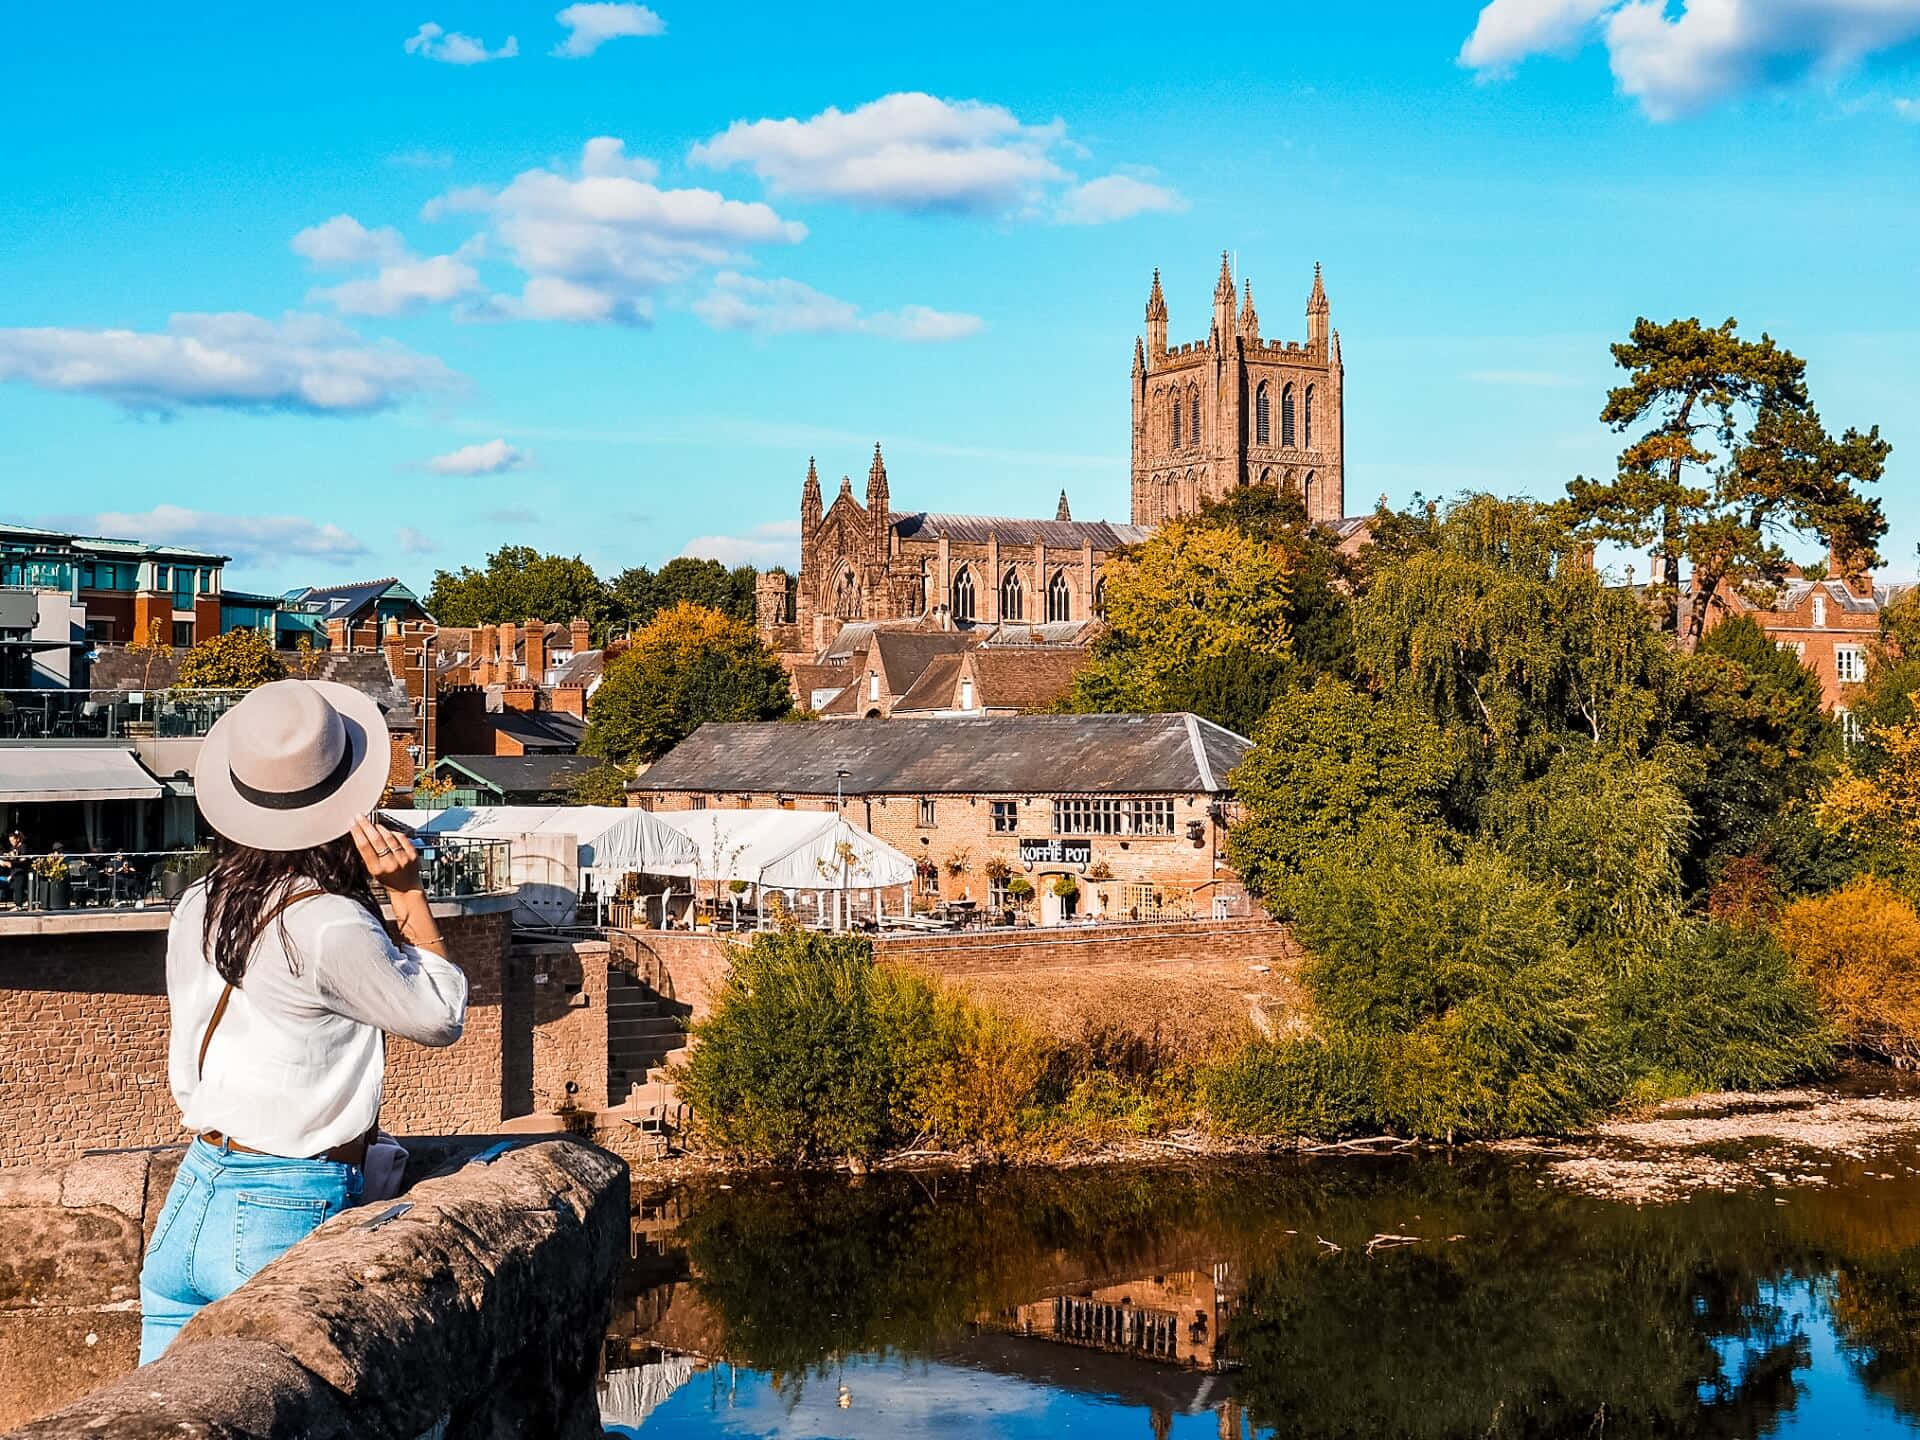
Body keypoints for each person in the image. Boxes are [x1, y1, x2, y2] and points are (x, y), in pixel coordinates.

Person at [138, 680, 469, 1364]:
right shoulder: (327, 923)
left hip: (194, 1194)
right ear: (350, 805)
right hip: (282, 1203)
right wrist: (406, 892)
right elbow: (440, 1015)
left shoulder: (199, 899)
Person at [0, 829, 27, 907]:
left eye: (12, 840)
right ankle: (23, 900)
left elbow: (22, 861)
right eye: (10, 840)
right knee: (13, 887)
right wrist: (7, 856)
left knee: (18, 887)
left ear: (17, 839)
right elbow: (11, 856)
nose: (11, 842)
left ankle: (19, 905)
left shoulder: (23, 847)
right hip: (13, 871)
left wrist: (11, 863)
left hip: (20, 871)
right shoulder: (13, 848)